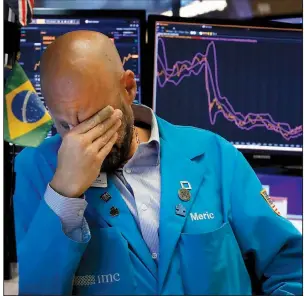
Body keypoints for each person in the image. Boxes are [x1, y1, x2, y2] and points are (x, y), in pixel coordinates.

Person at [13, 30, 302, 295]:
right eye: (65, 125)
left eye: (95, 120)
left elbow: (290, 266)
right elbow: (38, 290)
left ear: (128, 88)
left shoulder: (214, 155)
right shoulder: (36, 170)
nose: (81, 141)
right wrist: (64, 193)